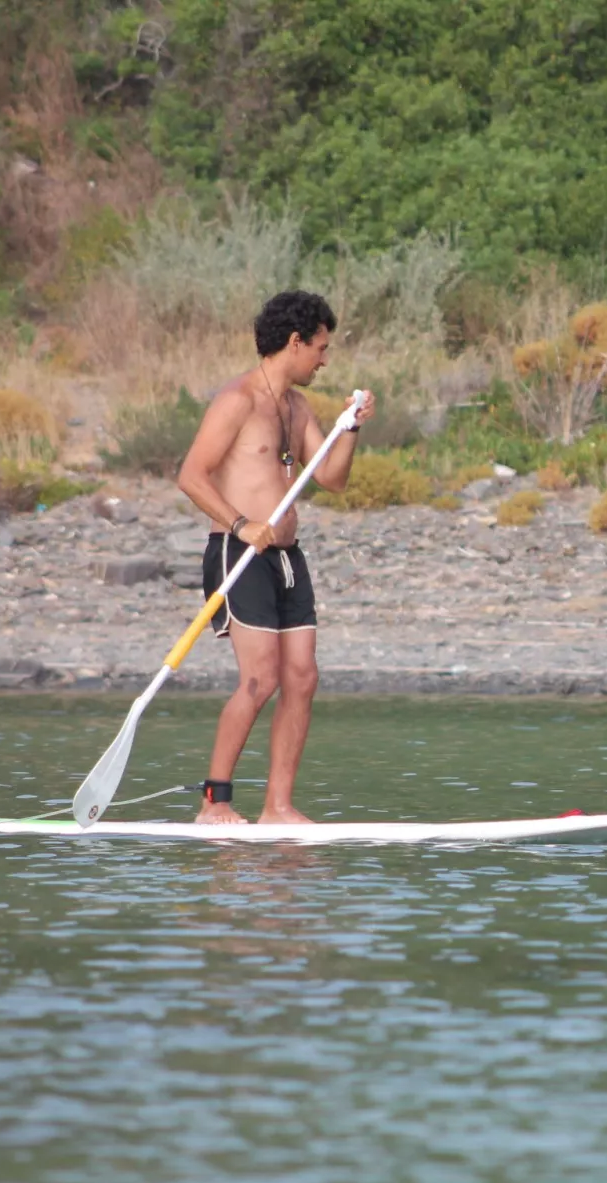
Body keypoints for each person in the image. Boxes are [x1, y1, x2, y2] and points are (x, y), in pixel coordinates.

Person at [175, 290, 375, 824]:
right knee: (259, 679)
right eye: (321, 347)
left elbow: (330, 478)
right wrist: (243, 524)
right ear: (295, 341)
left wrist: (350, 428)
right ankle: (214, 804)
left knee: (303, 677)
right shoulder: (237, 400)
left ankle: (278, 807)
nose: (325, 359)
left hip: (287, 558)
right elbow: (190, 475)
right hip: (236, 552)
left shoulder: (297, 406)